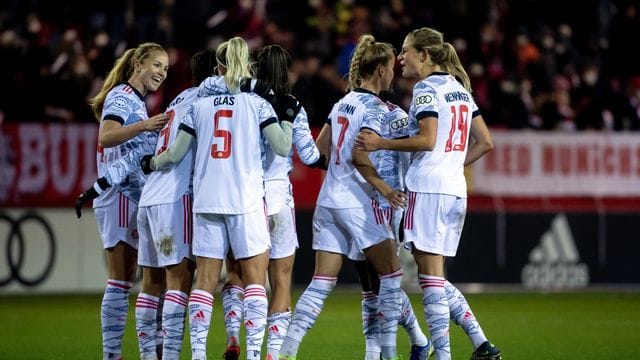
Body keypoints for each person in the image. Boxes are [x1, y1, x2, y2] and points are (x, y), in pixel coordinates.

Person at [355, 27, 501, 360]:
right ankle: (481, 344)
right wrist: (451, 164)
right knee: (432, 275)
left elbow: (427, 140)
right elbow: (486, 142)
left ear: (425, 55)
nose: (400, 57)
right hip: (453, 189)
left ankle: (444, 354)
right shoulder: (461, 91)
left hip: (428, 188)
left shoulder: (425, 89)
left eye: (406, 51)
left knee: (430, 279)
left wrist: (381, 142)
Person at [146, 37, 294, 360]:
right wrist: (288, 118)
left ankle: (198, 355)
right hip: (245, 201)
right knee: (255, 278)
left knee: (205, 279)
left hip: (207, 202)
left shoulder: (198, 107)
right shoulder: (258, 106)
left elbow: (174, 154)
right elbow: (283, 148)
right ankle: (254, 354)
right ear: (247, 68)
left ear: (219, 67)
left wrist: (152, 163)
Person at [279, 34, 405, 360]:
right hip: (359, 203)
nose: (393, 74)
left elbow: (318, 154)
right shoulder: (376, 108)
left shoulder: (341, 104)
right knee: (390, 278)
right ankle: (387, 354)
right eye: (391, 67)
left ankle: (284, 352)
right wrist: (386, 189)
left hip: (328, 200)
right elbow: (361, 158)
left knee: (320, 283)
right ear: (379, 70)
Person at [88, 42, 169, 360]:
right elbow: (106, 136)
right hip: (119, 195)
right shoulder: (121, 96)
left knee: (145, 277)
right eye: (157, 65)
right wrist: (146, 126)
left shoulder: (134, 100)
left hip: (131, 195)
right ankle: (112, 355)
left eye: (165, 69)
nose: (161, 73)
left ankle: (146, 350)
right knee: (121, 279)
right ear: (138, 63)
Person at [352, 96, 432, 360]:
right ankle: (419, 340)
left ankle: (377, 352)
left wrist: (404, 197)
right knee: (370, 283)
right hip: (358, 203)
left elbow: (410, 156)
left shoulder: (395, 115)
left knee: (381, 282)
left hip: (385, 205)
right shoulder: (353, 107)